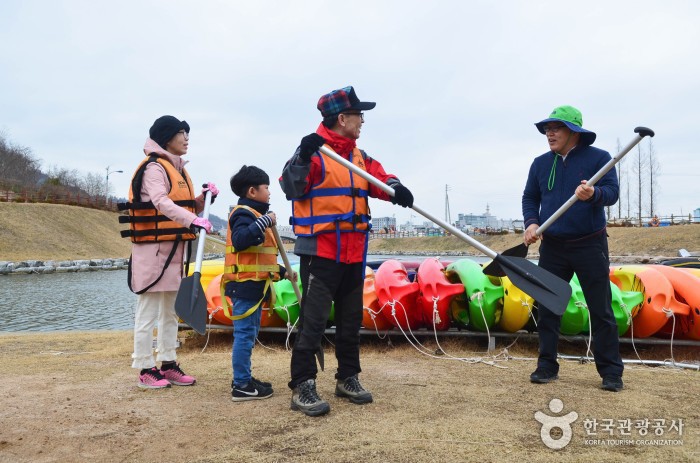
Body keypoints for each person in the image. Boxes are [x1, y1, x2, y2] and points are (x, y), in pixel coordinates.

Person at [280, 86, 414, 416]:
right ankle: (302, 384)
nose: (363, 121)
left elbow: (380, 177)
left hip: (355, 252)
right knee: (313, 322)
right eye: (359, 115)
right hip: (321, 252)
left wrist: (395, 187)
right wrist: (300, 156)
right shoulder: (314, 153)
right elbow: (290, 185)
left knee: (351, 321)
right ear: (342, 118)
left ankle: (347, 377)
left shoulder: (358, 157)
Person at [522, 105, 624, 392]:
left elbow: (612, 194)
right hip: (553, 246)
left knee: (600, 308)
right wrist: (531, 223)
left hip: (589, 244)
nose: (549, 133)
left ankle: (611, 372)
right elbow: (530, 197)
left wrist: (593, 194)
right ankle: (546, 365)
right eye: (546, 129)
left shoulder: (599, 159)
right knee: (548, 307)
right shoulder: (540, 163)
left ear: (574, 131)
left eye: (556, 128)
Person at [121, 115, 217, 389]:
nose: (186, 138)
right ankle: (144, 368)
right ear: (166, 138)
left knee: (171, 311)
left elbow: (183, 206)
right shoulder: (154, 168)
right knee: (148, 312)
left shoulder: (179, 170)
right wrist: (193, 220)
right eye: (181, 133)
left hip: (175, 251)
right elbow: (161, 202)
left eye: (187, 134)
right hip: (152, 252)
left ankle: (168, 362)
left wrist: (202, 200)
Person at [224, 165, 288, 402]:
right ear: (252, 191)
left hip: (255, 285)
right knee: (244, 335)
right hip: (244, 286)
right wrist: (265, 221)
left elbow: (260, 258)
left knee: (249, 335)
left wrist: (282, 272)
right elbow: (241, 240)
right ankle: (241, 385)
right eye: (266, 188)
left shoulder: (255, 215)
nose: (270, 192)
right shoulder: (243, 214)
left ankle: (245, 378)